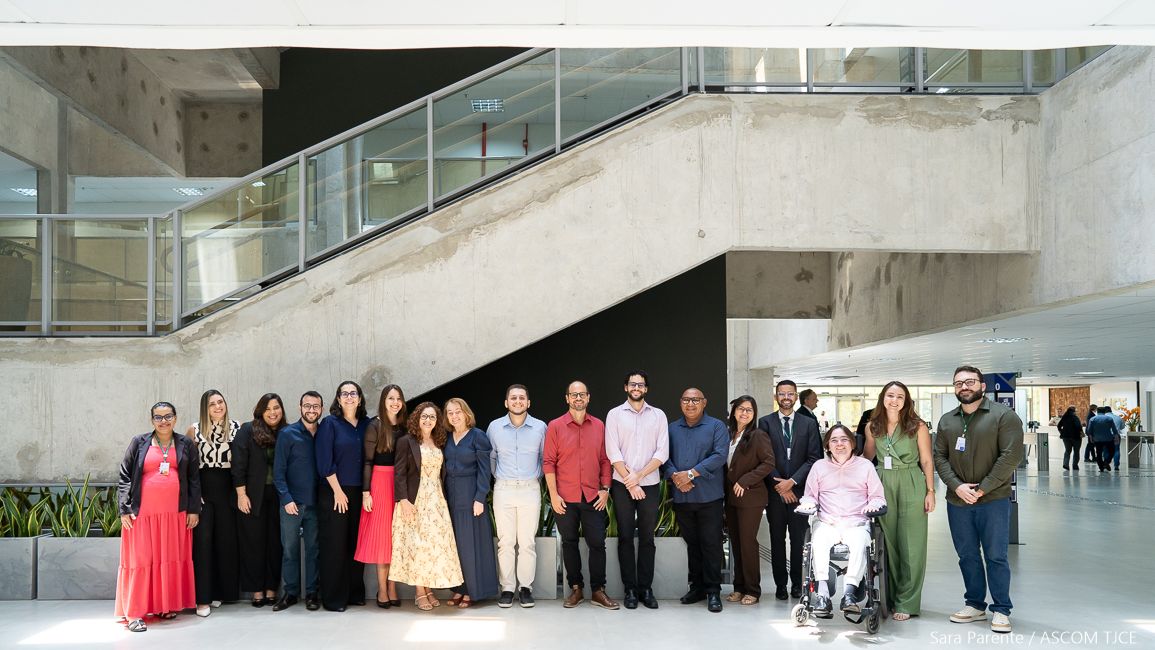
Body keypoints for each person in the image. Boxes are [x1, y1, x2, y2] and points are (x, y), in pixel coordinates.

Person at [933, 366, 1024, 634]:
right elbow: (940, 457)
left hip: (993, 499)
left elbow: (1010, 457)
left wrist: (982, 489)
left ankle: (1001, 609)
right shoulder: (947, 420)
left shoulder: (1004, 416)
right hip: (958, 501)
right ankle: (974, 604)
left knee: (996, 556)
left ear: (982, 386)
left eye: (970, 381)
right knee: (967, 555)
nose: (964, 387)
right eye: (958, 383)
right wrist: (958, 487)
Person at [115, 401, 200, 632]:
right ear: (152, 420)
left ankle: (164, 606)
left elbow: (194, 479)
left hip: (174, 515)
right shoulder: (139, 442)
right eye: (158, 417)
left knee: (167, 559)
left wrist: (193, 509)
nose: (164, 421)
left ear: (175, 417)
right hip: (142, 514)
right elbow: (124, 477)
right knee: (141, 562)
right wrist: (124, 509)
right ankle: (134, 614)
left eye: (168, 416)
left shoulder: (186, 444)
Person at [794, 425, 887, 618]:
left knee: (861, 543)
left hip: (856, 522)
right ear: (827, 445)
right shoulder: (819, 466)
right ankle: (823, 595)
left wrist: (874, 506)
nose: (839, 444)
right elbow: (810, 496)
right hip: (827, 521)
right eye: (834, 440)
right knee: (818, 541)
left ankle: (850, 594)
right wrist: (808, 505)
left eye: (844, 440)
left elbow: (878, 497)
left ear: (853, 443)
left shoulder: (865, 466)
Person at [862, 381, 935, 621]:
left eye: (900, 396)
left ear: (906, 401)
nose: (894, 400)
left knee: (912, 544)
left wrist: (930, 491)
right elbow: (867, 457)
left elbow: (926, 461)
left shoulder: (917, 426)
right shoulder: (873, 426)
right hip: (883, 481)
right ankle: (889, 597)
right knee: (888, 544)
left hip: (911, 480)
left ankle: (908, 601)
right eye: (890, 395)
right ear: (883, 398)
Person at [544, 380, 618, 610]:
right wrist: (554, 496)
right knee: (569, 542)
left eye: (582, 395)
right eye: (573, 395)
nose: (578, 398)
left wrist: (605, 490)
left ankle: (598, 590)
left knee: (597, 544)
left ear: (588, 398)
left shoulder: (598, 425)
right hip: (564, 497)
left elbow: (606, 460)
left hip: (593, 496)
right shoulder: (555, 426)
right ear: (567, 398)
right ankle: (576, 588)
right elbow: (548, 463)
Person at [604, 370, 669, 610]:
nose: (636, 387)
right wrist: (630, 481)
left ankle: (646, 588)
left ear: (646, 389)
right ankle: (630, 589)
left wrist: (638, 478)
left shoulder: (658, 415)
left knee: (647, 539)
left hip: (649, 484)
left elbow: (662, 452)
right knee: (624, 537)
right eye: (633, 384)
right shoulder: (614, 415)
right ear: (626, 388)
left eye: (641, 384)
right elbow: (613, 452)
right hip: (622, 485)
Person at [391, 402, 464, 610]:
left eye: (432, 417)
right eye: (424, 416)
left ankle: (429, 589)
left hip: (436, 501)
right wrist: (403, 500)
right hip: (414, 500)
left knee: (432, 546)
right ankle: (419, 592)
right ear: (417, 418)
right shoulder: (407, 441)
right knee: (418, 545)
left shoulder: (439, 441)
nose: (428, 420)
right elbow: (399, 473)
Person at [756, 379, 823, 600]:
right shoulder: (765, 422)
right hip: (775, 493)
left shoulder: (808, 423)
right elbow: (764, 458)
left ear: (795, 397)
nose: (786, 398)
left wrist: (792, 482)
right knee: (776, 539)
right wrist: (780, 486)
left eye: (790, 394)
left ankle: (797, 583)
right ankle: (780, 585)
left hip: (799, 493)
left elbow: (814, 458)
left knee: (798, 540)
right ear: (776, 397)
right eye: (782, 394)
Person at [664, 387, 728, 613]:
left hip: (709, 497)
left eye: (695, 400)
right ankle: (697, 587)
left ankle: (713, 591)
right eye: (686, 400)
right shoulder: (672, 428)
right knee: (692, 544)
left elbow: (720, 455)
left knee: (711, 544)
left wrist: (690, 474)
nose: (690, 404)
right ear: (680, 402)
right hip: (683, 497)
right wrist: (676, 477)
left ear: (704, 402)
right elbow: (664, 457)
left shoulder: (716, 426)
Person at [486, 384, 546, 608]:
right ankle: (508, 588)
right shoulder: (494, 427)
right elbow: (491, 459)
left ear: (528, 403)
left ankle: (526, 588)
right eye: (513, 398)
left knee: (527, 542)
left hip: (530, 489)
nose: (518, 401)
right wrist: (502, 479)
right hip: (504, 489)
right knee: (506, 542)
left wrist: (534, 479)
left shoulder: (541, 427)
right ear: (506, 402)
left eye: (522, 398)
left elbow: (544, 459)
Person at [315, 380, 369, 611]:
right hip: (335, 491)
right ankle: (334, 598)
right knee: (335, 545)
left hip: (360, 492)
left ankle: (354, 593)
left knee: (355, 544)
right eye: (344, 394)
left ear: (359, 398)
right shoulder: (330, 424)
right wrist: (338, 491)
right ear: (338, 399)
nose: (349, 397)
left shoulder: (367, 424)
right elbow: (325, 460)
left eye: (353, 393)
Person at [186, 389, 240, 617]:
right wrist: (193, 494)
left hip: (228, 491)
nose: (218, 406)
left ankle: (220, 592)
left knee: (225, 543)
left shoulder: (237, 428)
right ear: (204, 408)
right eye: (212, 404)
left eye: (220, 402)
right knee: (203, 544)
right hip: (204, 491)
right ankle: (203, 598)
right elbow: (188, 466)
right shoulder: (194, 430)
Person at [444, 398, 499, 607]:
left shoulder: (478, 436)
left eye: (458, 411)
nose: (454, 416)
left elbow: (485, 471)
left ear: (466, 413)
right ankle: (460, 589)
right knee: (456, 545)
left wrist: (479, 498)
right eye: (450, 413)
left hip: (471, 496)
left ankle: (472, 591)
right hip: (452, 496)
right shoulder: (448, 438)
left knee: (471, 545)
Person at [232, 393, 285, 608]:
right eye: (268, 409)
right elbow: (238, 464)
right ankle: (256, 591)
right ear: (261, 411)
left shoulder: (286, 431)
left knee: (275, 544)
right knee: (253, 544)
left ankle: (272, 588)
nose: (273, 412)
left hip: (279, 496)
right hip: (252, 496)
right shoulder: (248, 430)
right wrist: (241, 495)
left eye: (276, 408)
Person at [272, 391, 324, 612]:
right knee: (290, 550)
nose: (311, 410)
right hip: (292, 504)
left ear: (321, 408)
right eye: (307, 406)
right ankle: (290, 593)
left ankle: (312, 593)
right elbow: (278, 472)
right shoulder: (287, 434)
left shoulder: (324, 433)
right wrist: (286, 499)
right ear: (300, 407)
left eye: (316, 406)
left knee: (313, 550)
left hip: (317, 504)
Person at [355, 384, 405, 609]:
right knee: (383, 538)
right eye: (390, 398)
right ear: (383, 401)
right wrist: (366, 492)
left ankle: (393, 587)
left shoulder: (405, 426)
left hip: (401, 484)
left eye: (398, 398)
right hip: (380, 483)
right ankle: (382, 589)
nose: (395, 402)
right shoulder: (374, 425)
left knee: (397, 537)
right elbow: (367, 461)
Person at [723, 395, 775, 605]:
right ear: (734, 411)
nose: (744, 413)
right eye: (741, 409)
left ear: (754, 415)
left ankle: (753, 590)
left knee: (747, 543)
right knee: (736, 543)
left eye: (749, 410)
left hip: (751, 496)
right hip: (731, 497)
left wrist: (745, 480)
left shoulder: (757, 435)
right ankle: (739, 587)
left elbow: (769, 462)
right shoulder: (729, 435)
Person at [1086, 406, 1120, 472]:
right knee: (1112, 451)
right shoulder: (1109, 419)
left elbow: (1089, 430)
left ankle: (1101, 467)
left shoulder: (1092, 419)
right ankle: (1106, 462)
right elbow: (1114, 429)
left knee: (1099, 453)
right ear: (1104, 412)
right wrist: (1116, 438)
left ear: (1097, 411)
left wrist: (1091, 438)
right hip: (1108, 438)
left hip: (1097, 439)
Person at [1056, 406, 1083, 471]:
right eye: (1075, 411)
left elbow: (1059, 426)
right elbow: (1078, 426)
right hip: (1075, 437)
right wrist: (1081, 432)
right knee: (1076, 451)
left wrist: (1061, 432)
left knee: (1067, 451)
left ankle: (1066, 464)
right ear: (1073, 412)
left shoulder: (1064, 417)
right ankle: (1075, 465)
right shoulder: (1075, 417)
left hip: (1065, 437)